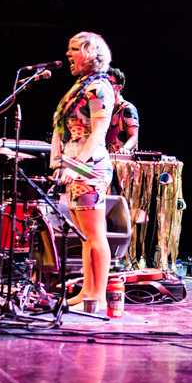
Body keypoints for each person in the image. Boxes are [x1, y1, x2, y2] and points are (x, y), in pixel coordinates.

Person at [50, 32, 116, 310]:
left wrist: (74, 167)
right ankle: (87, 291)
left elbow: (98, 135)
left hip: (90, 170)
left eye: (75, 49)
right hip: (76, 169)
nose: (69, 54)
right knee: (85, 236)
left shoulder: (99, 87)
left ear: (91, 54)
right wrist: (59, 163)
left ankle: (98, 296)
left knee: (95, 234)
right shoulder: (81, 86)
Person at [106, 67, 140, 153]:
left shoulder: (127, 108)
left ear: (119, 87)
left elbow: (133, 136)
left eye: (110, 83)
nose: (106, 86)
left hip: (121, 160)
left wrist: (125, 149)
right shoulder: (105, 108)